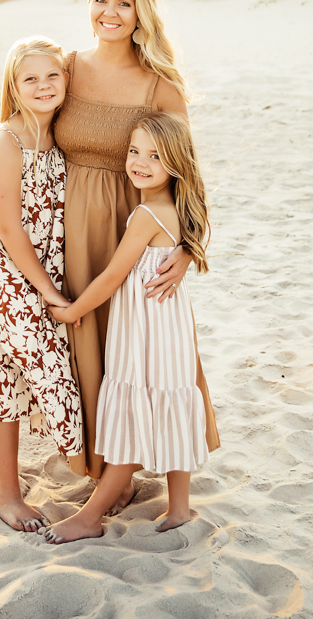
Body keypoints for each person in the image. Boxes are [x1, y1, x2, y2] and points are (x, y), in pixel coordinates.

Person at [0, 0, 217, 488]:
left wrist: (188, 247)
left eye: (124, 3)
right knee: (87, 345)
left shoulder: (159, 85)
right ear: (88, 5)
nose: (111, 13)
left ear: (141, 10)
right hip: (69, 229)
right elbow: (14, 124)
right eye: (101, 0)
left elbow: (186, 172)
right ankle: (100, 467)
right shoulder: (69, 67)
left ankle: (136, 462)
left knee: (139, 348)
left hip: (134, 228)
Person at [43, 111, 216, 543]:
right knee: (172, 404)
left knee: (133, 415)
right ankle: (178, 507)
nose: (139, 162)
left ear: (176, 163)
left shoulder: (146, 215)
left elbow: (111, 277)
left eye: (154, 156)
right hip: (170, 329)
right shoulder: (180, 208)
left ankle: (91, 515)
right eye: (134, 151)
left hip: (145, 333)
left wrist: (71, 310)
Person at [0, 36, 82, 532]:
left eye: (52, 75)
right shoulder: (7, 141)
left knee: (9, 377)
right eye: (30, 78)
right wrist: (49, 292)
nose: (43, 85)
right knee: (16, 376)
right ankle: (9, 494)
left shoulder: (56, 134)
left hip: (31, 272)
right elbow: (9, 229)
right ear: (14, 85)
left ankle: (13, 486)